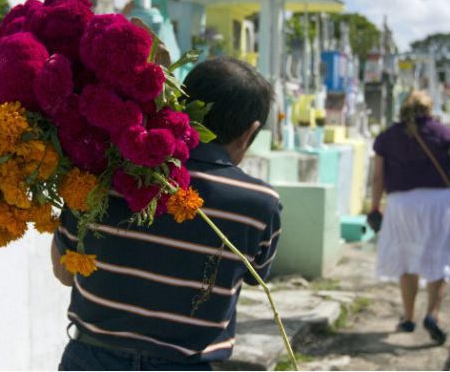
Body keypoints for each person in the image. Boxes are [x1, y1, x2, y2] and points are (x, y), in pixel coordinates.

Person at [52, 56, 283, 370]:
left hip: (91, 359)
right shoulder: (259, 204)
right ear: (250, 132)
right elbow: (253, 276)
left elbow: (65, 273)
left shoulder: (104, 175)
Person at [368, 90, 450, 344]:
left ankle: (409, 317)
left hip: (401, 204)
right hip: (438, 203)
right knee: (439, 256)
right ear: (429, 109)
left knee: (406, 259)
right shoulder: (442, 133)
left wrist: (375, 206)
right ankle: (432, 314)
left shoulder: (387, 137)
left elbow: (378, 177)